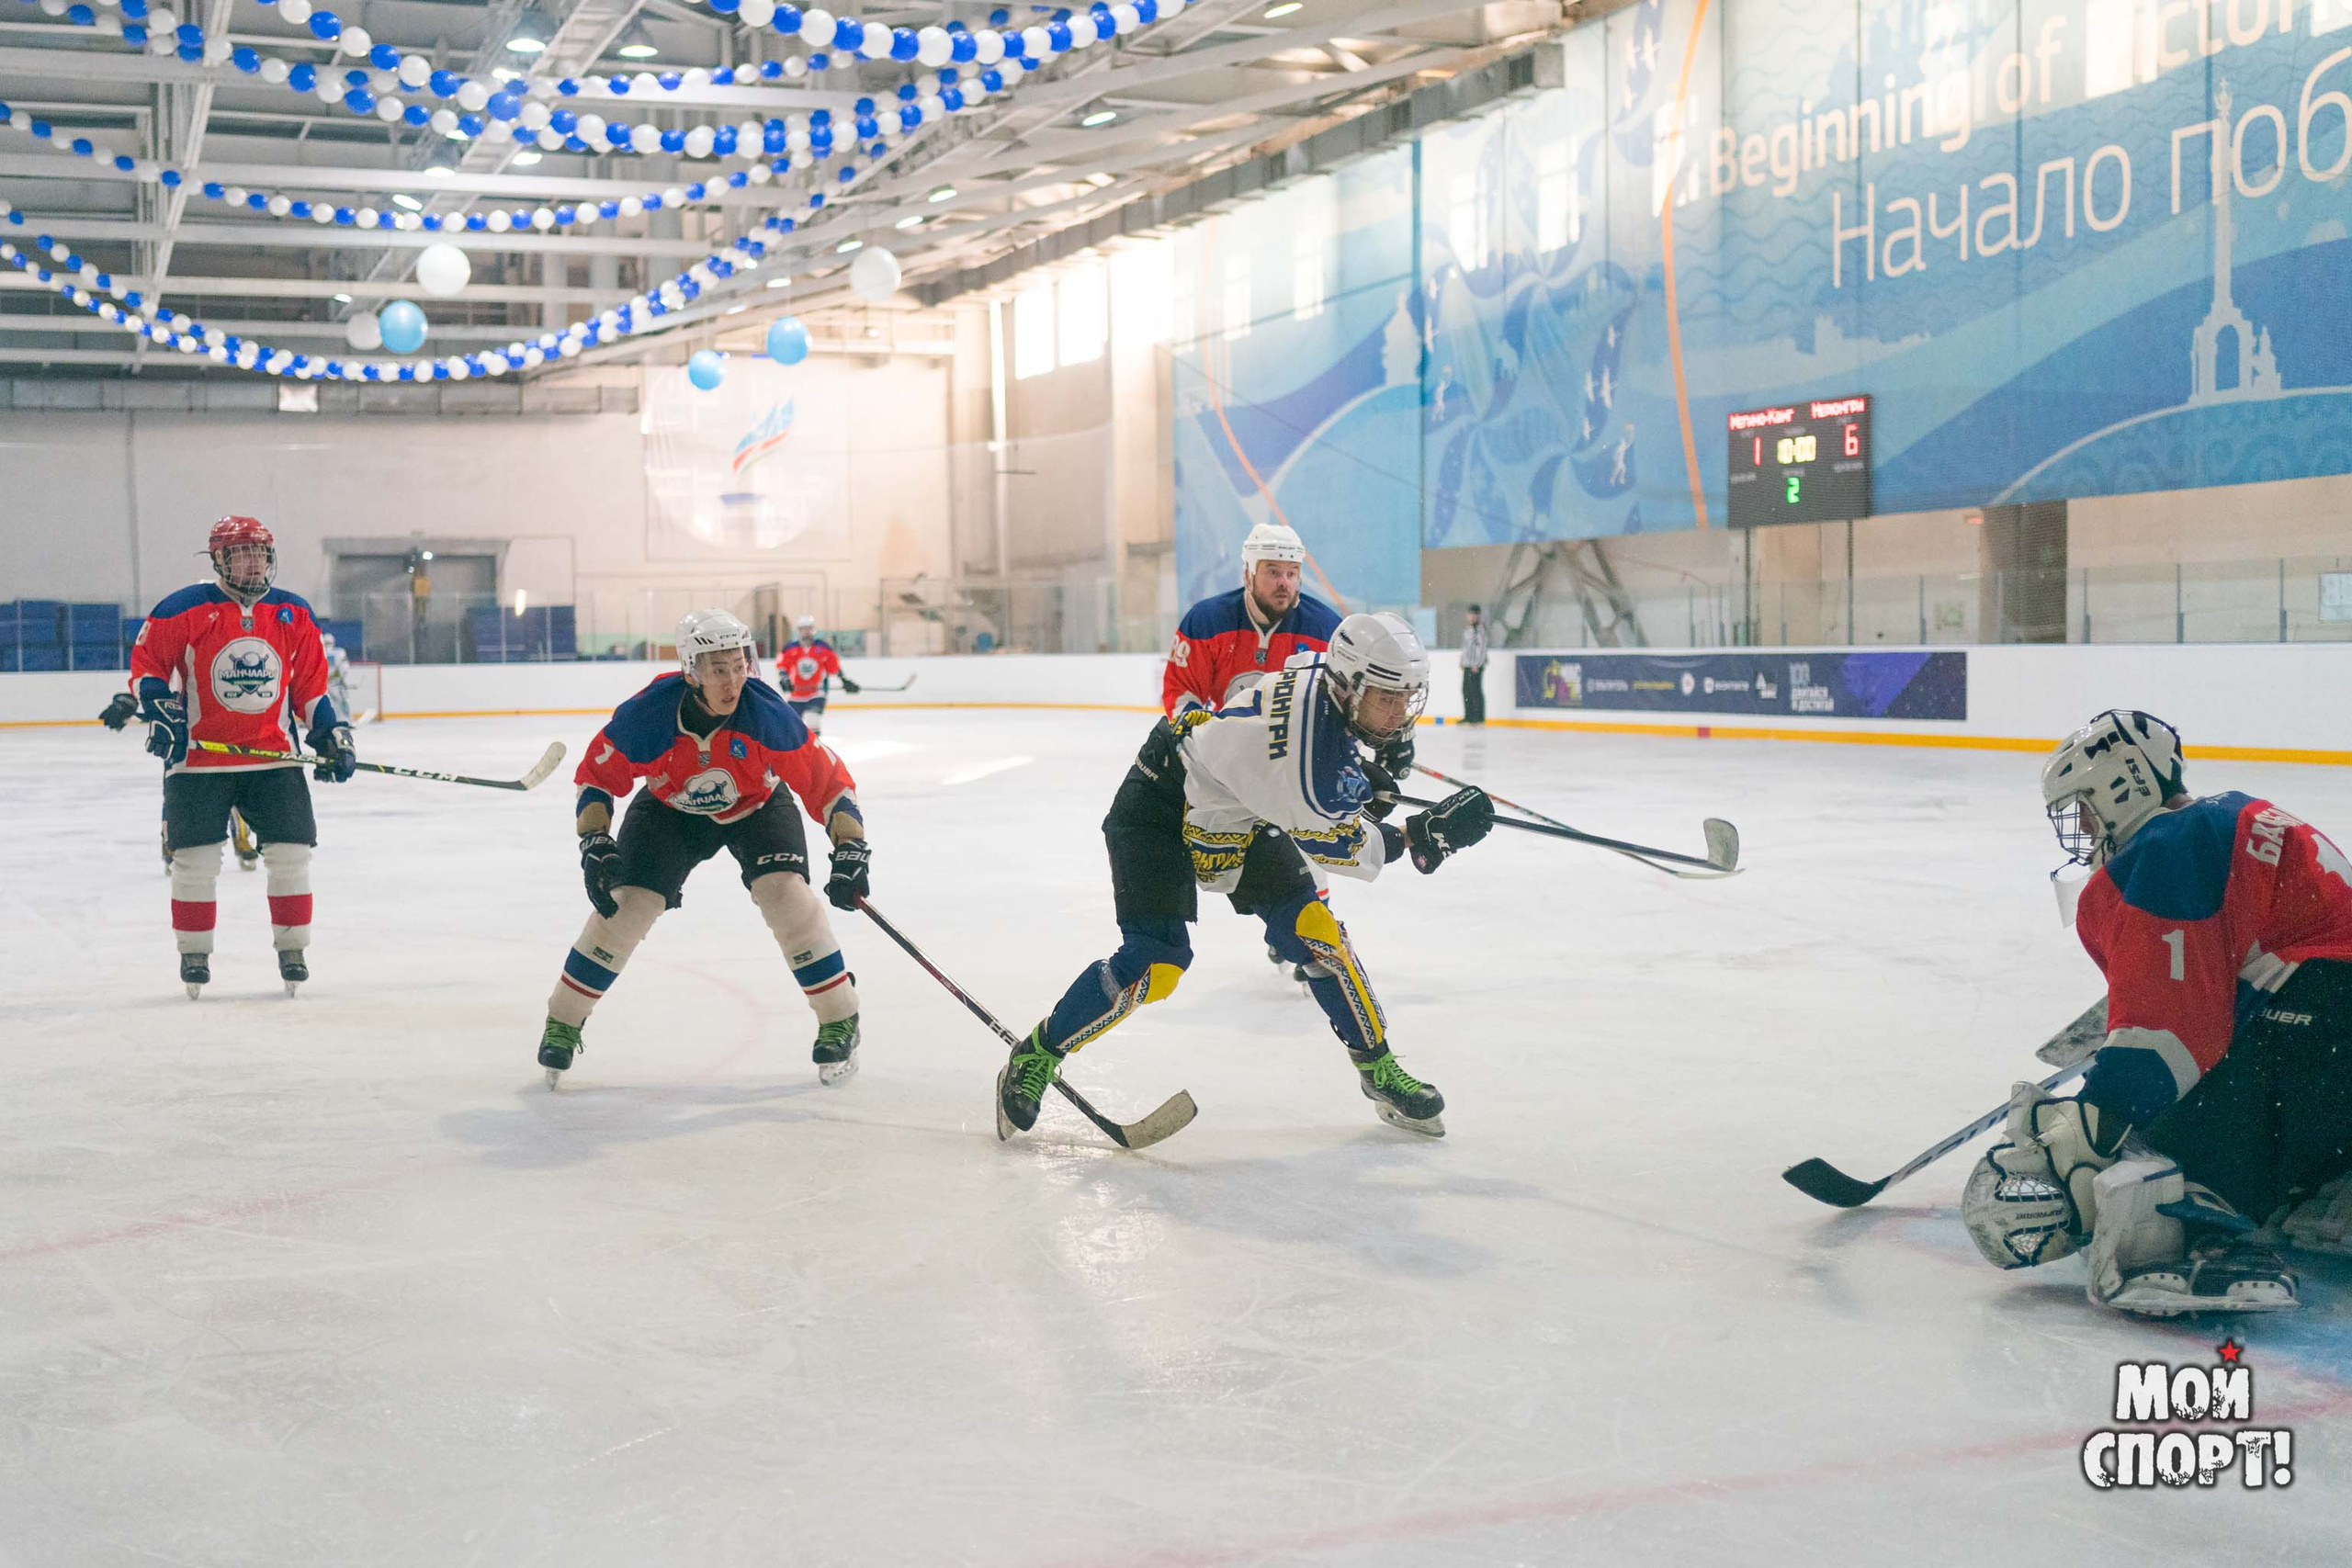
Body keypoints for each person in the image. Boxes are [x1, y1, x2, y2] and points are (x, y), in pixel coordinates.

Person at [995, 612, 1495, 1140]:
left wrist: (1358, 765)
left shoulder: (1319, 673)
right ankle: (1036, 1054)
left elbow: (1285, 706)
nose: (1398, 712)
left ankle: (1379, 1069)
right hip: (1160, 804)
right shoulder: (1307, 777)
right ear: (1350, 686)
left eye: (1405, 697)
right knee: (1157, 963)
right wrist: (1422, 834)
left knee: (1316, 933)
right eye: (1387, 697)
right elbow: (1347, 847)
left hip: (1234, 807)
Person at [1964, 709, 2352, 1316]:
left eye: (2083, 808)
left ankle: (2199, 1230)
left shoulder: (2167, 847)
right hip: (2332, 1054)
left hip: (2325, 1039)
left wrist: (2091, 1129)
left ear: (2125, 783)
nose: (2082, 828)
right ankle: (2325, 1181)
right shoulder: (2222, 819)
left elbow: (2167, 1039)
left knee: (2156, 1143)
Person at [537, 609, 874, 1088]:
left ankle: (840, 1015)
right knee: (626, 907)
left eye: (739, 666)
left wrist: (851, 847)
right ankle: (564, 1019)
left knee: (786, 896)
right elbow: (595, 778)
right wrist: (593, 841)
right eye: (718, 670)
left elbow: (830, 784)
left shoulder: (766, 714)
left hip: (757, 806)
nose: (733, 681)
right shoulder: (650, 714)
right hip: (669, 811)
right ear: (691, 672)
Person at [128, 515, 356, 998]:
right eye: (241, 554)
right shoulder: (183, 608)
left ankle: (292, 949)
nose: (253, 563)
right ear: (219, 559)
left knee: (292, 856)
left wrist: (330, 734)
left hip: (274, 759)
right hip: (198, 760)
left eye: (260, 553)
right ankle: (194, 953)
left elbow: (311, 688)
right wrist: (161, 708)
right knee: (194, 862)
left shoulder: (293, 612)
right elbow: (149, 668)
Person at [1161, 521, 1342, 720]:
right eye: (1273, 572)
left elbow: (1344, 703)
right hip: (1226, 737)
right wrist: (1199, 730)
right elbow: (1181, 691)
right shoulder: (1207, 622)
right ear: (1249, 575)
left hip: (1297, 740)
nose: (1284, 583)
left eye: (1291, 573)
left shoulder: (1325, 629)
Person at [775, 614, 860, 735]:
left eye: (809, 628)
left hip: (816, 694)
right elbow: (782, 665)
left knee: (812, 719)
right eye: (804, 628)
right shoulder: (790, 648)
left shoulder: (823, 647)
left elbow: (834, 666)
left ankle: (815, 746)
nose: (807, 631)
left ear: (813, 630)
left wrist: (844, 680)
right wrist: (784, 678)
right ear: (799, 630)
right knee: (790, 726)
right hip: (796, 695)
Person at [1459, 604, 1489, 727]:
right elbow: (1465, 647)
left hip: (1475, 666)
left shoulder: (1480, 631)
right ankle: (1469, 717)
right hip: (1467, 665)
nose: (1472, 617)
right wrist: (1462, 661)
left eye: (1474, 615)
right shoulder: (1468, 630)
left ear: (1478, 616)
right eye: (1470, 615)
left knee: (1475, 691)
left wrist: (1477, 664)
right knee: (1466, 690)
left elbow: (1481, 649)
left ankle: (1478, 718)